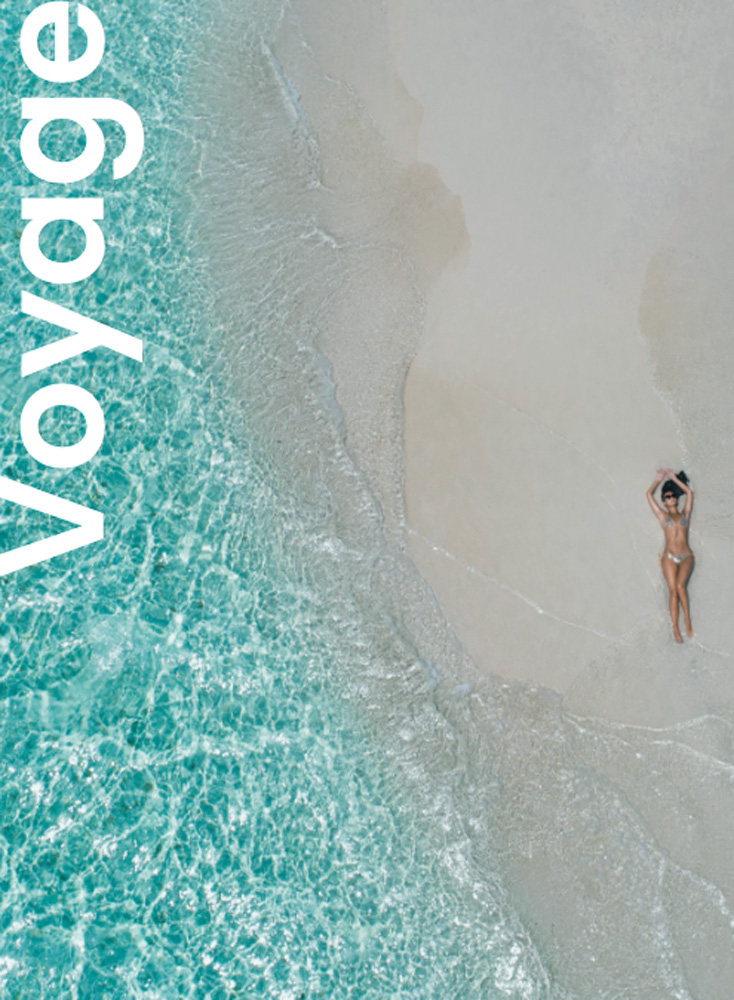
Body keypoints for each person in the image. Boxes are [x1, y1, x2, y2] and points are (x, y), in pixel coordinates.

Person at [646, 468, 694, 642]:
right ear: (664, 502)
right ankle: (675, 628)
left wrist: (674, 478)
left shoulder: (685, 514)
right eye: (667, 497)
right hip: (669, 557)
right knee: (673, 591)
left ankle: (687, 620)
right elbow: (648, 495)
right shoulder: (662, 516)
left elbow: (689, 493)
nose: (671, 498)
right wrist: (658, 480)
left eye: (673, 495)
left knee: (681, 586)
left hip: (687, 556)